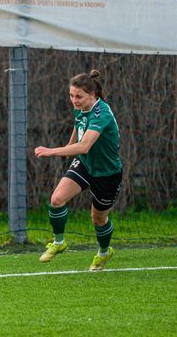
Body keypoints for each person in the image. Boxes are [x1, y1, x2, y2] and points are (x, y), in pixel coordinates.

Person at [34, 70, 122, 271]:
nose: (74, 100)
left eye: (79, 96)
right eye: (71, 95)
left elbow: (84, 146)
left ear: (93, 95)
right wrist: (68, 145)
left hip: (107, 173)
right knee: (57, 200)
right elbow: (78, 124)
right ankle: (59, 242)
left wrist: (52, 151)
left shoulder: (101, 114)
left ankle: (104, 252)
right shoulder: (80, 107)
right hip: (85, 164)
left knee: (98, 219)